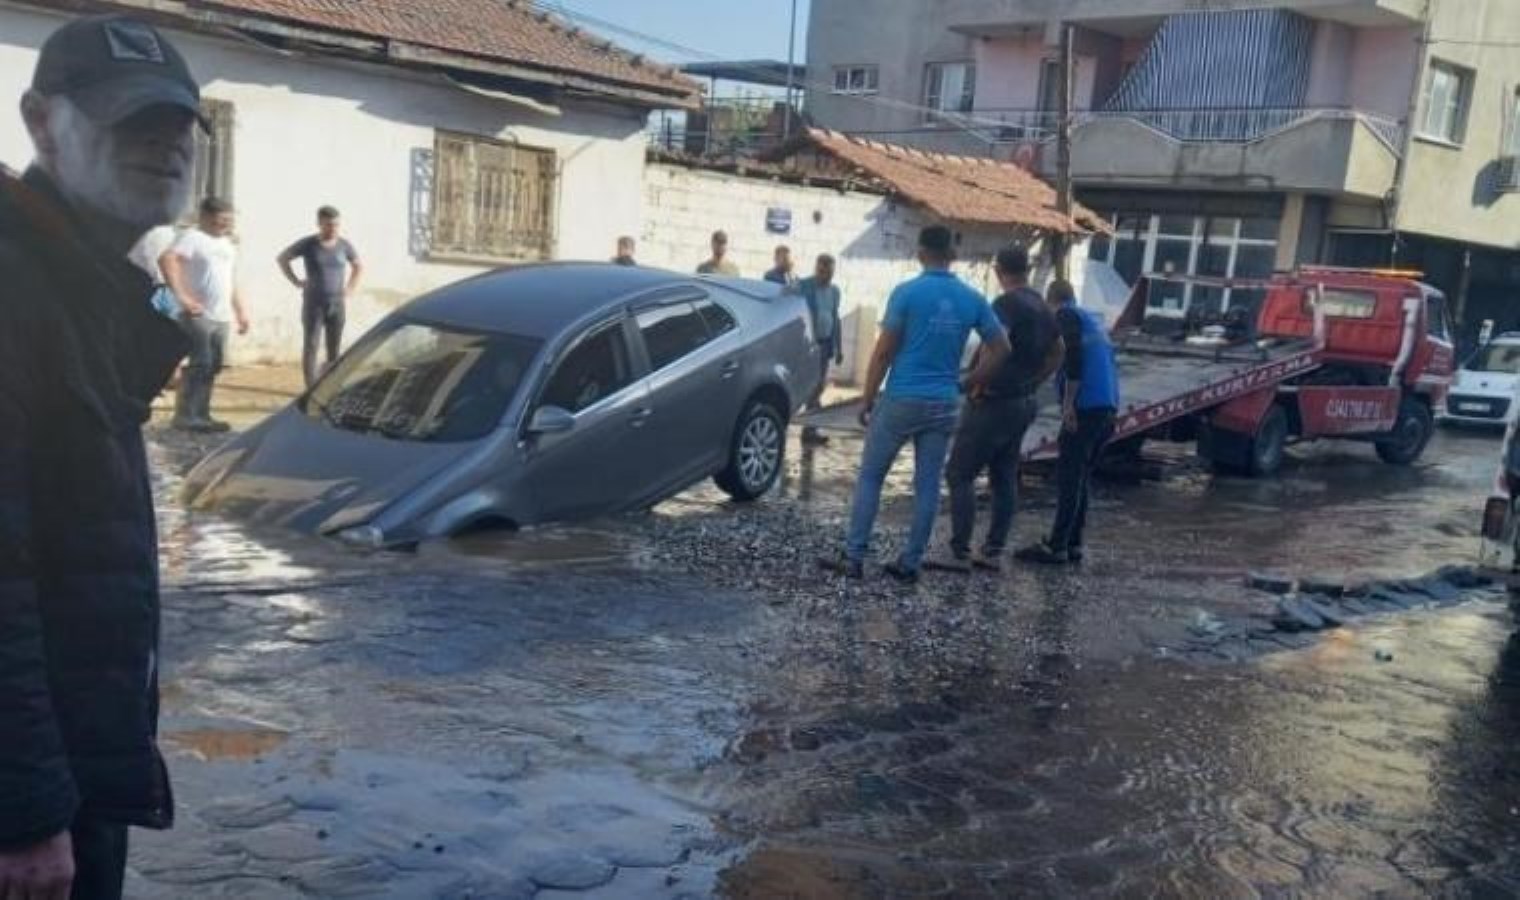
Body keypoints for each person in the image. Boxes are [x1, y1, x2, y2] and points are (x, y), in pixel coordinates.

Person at [0, 14, 199, 899]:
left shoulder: (91, 281)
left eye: (179, 123)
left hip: (78, 764)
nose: (164, 144)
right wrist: (26, 808)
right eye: (130, 119)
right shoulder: (16, 289)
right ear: (42, 121)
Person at [822, 226, 1012, 583]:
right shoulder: (972, 298)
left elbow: (883, 351)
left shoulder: (907, 293)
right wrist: (969, 382)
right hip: (943, 402)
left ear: (921, 251)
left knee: (871, 478)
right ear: (951, 254)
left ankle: (855, 556)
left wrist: (867, 398)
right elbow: (1003, 348)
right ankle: (910, 563)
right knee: (926, 485)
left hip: (902, 399)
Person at [936, 246, 1063, 573]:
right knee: (1004, 476)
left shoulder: (1006, 304)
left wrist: (970, 384)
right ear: (1027, 269)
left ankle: (959, 551)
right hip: (1023, 403)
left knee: (960, 473)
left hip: (994, 402)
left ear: (998, 271)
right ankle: (992, 550)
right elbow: (1057, 353)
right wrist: (1034, 382)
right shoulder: (1042, 306)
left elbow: (998, 348)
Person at [1018, 279, 1121, 565]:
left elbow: (1073, 356)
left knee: (1068, 477)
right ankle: (1073, 543)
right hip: (1108, 408)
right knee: (1079, 477)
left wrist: (1068, 405)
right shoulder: (1093, 320)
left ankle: (1057, 546)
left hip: (1086, 407)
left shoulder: (1066, 316)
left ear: (1052, 301)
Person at [161, 196, 249, 431]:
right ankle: (185, 416)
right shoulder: (192, 237)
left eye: (229, 220)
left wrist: (240, 311)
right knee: (201, 363)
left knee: (214, 365)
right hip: (198, 314)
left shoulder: (227, 244)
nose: (226, 224)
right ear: (206, 217)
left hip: (222, 315)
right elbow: (167, 259)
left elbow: (230, 280)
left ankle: (202, 414)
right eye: (222, 219)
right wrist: (182, 297)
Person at [278, 206, 362, 387]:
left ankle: (329, 386)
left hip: (337, 304)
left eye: (336, 225)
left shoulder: (344, 245)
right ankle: (310, 387)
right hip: (314, 304)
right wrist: (296, 281)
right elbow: (283, 258)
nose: (333, 229)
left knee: (334, 348)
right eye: (329, 225)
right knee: (312, 346)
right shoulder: (308, 244)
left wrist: (350, 288)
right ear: (319, 224)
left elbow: (358, 266)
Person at [796, 253, 844, 445]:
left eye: (830, 272)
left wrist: (839, 347)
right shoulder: (804, 286)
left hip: (825, 345)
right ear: (817, 269)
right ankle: (807, 426)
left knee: (818, 386)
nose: (826, 276)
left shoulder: (834, 291)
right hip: (806, 345)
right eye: (823, 271)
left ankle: (810, 429)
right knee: (807, 386)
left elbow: (835, 318)